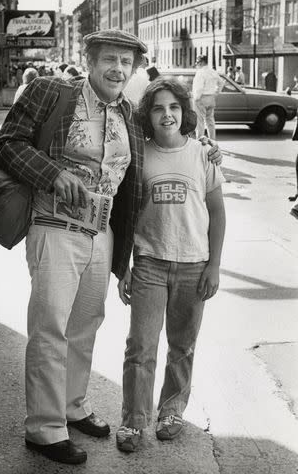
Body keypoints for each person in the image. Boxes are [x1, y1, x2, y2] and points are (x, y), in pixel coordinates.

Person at [0, 29, 222, 465]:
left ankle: (73, 405)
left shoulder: (128, 115)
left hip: (102, 234)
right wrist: (51, 174)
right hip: (54, 225)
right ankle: (43, 427)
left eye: (125, 63)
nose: (118, 69)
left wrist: (205, 149)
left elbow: (160, 149)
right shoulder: (51, 91)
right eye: (109, 60)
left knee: (85, 324)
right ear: (90, 60)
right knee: (50, 327)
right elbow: (7, 144)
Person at [115, 77, 226, 452]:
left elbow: (217, 213)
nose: (167, 115)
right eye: (159, 108)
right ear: (149, 115)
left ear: (184, 111)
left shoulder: (202, 154)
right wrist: (123, 266)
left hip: (194, 265)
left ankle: (172, 410)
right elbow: (125, 215)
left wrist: (215, 265)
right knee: (140, 347)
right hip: (149, 264)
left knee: (182, 346)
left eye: (174, 107)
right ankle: (133, 421)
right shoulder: (139, 156)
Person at [192, 55, 223, 140]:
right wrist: (216, 92)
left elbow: (199, 88)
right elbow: (221, 82)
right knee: (210, 121)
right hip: (211, 98)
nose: (197, 65)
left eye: (197, 63)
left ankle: (199, 141)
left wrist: (196, 98)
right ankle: (212, 141)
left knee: (200, 121)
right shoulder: (213, 71)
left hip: (201, 98)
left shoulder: (200, 72)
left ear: (201, 62)